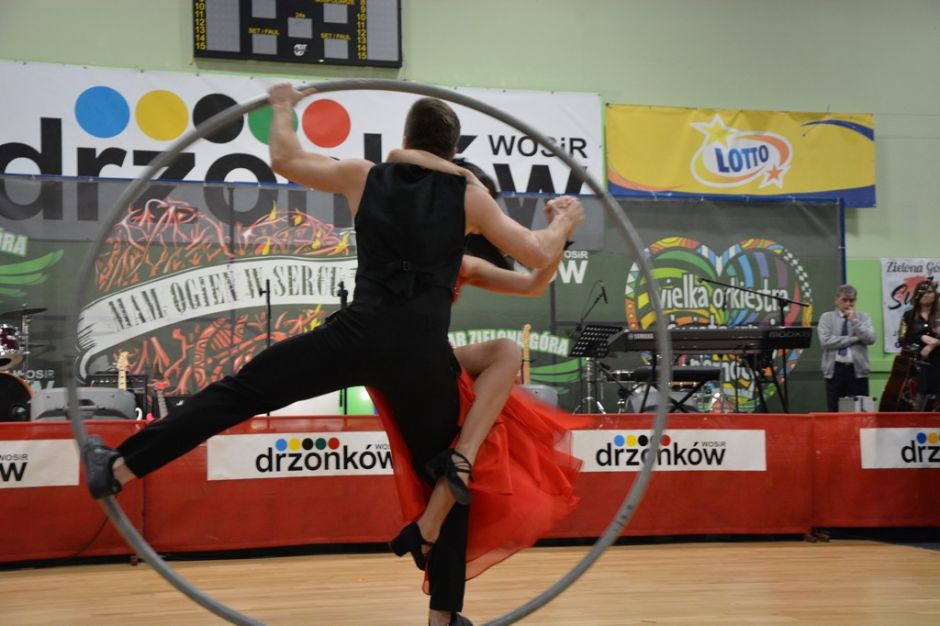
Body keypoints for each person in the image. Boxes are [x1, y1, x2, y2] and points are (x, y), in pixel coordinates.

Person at [81, 83, 583, 626]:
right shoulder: (468, 195)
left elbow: (284, 159)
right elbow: (537, 254)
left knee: (239, 392)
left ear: (406, 137)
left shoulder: (365, 175)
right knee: (448, 471)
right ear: (453, 150)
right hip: (421, 355)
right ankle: (443, 618)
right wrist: (563, 220)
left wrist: (282, 106)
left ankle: (121, 468)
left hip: (358, 335)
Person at [375, 152, 586, 585]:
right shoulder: (401, 235)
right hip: (394, 360)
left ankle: (435, 518)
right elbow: (398, 157)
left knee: (500, 386)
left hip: (432, 361)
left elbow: (533, 283)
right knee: (496, 397)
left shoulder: (463, 263)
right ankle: (460, 467)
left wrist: (561, 237)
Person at [817, 284, 877, 412]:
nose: (848, 304)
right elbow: (826, 341)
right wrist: (854, 339)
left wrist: (855, 321)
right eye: (844, 300)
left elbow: (870, 339)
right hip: (835, 370)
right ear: (836, 300)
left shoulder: (863, 317)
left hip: (858, 371)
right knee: (834, 410)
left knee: (859, 411)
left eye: (852, 300)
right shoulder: (826, 317)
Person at [897, 278, 940, 410]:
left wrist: (934, 344)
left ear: (935, 295)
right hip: (916, 364)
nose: (925, 295)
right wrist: (922, 338)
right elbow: (902, 339)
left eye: (929, 292)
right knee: (917, 401)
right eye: (922, 292)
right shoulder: (908, 315)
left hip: (938, 362)